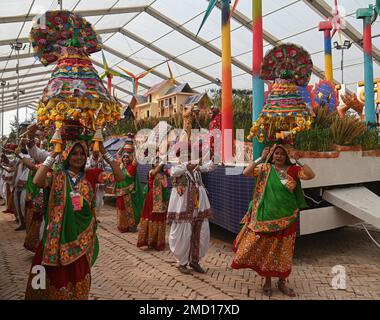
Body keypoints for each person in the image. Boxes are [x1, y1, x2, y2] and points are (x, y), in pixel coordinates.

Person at [25, 140, 124, 300]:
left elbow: (119, 177)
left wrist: (105, 153)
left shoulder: (92, 175)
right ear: (67, 156)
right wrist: (53, 155)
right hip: (57, 238)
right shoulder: (57, 175)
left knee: (79, 279)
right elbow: (37, 181)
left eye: (82, 154)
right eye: (74, 154)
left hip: (82, 238)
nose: (78, 157)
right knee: (53, 279)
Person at [231, 144, 315, 297]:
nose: (279, 156)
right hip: (267, 217)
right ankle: (267, 282)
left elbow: (311, 175)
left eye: (282, 154)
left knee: (285, 252)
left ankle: (282, 282)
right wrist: (261, 158)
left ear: (286, 156)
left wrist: (298, 161)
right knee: (268, 251)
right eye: (276, 153)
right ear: (272, 155)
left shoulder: (294, 170)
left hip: (287, 217)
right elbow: (246, 173)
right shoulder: (265, 168)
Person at [167, 143, 215, 274]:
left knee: (201, 232)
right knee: (183, 233)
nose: (187, 156)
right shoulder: (176, 167)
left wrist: (213, 155)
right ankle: (182, 263)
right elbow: (174, 172)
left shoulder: (196, 168)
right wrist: (188, 164)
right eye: (184, 154)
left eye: (189, 154)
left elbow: (209, 167)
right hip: (182, 207)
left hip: (199, 207)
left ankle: (195, 261)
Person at [137, 157, 170, 251]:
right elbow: (154, 173)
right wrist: (162, 162)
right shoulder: (151, 172)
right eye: (156, 161)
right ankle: (150, 241)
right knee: (152, 217)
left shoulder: (164, 173)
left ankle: (158, 241)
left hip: (162, 199)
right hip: (153, 198)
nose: (158, 163)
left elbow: (172, 174)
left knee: (160, 218)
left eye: (159, 161)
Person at [115, 138, 143, 233]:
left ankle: (131, 226)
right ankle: (122, 226)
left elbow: (137, 157)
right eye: (124, 157)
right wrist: (125, 144)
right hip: (120, 192)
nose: (125, 159)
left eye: (127, 157)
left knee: (130, 210)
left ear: (130, 159)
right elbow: (118, 154)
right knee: (121, 209)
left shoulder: (132, 166)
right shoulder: (121, 165)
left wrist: (135, 145)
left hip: (129, 193)